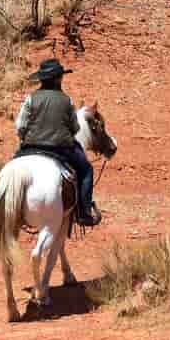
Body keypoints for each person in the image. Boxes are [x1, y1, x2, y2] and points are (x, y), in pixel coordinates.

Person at [15, 58, 100, 226]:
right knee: (87, 169)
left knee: (11, 169)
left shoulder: (30, 99)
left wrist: (28, 139)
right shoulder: (66, 100)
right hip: (61, 149)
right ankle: (83, 213)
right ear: (57, 79)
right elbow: (75, 128)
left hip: (29, 147)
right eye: (61, 77)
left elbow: (20, 127)